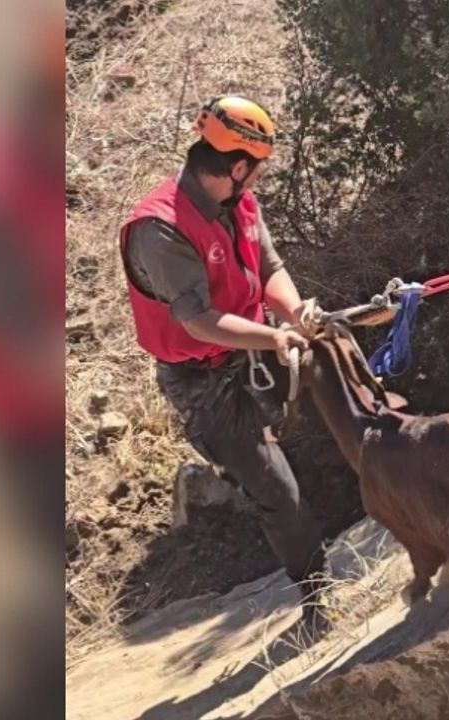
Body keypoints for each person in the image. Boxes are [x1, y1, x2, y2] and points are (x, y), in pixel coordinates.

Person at [118, 95, 327, 605]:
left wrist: (297, 314)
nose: (256, 182)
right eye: (254, 171)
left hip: (252, 346)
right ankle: (319, 593)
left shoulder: (239, 203)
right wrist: (276, 337)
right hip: (202, 379)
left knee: (337, 372)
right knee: (275, 489)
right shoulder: (159, 229)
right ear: (237, 166)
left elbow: (270, 268)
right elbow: (199, 320)